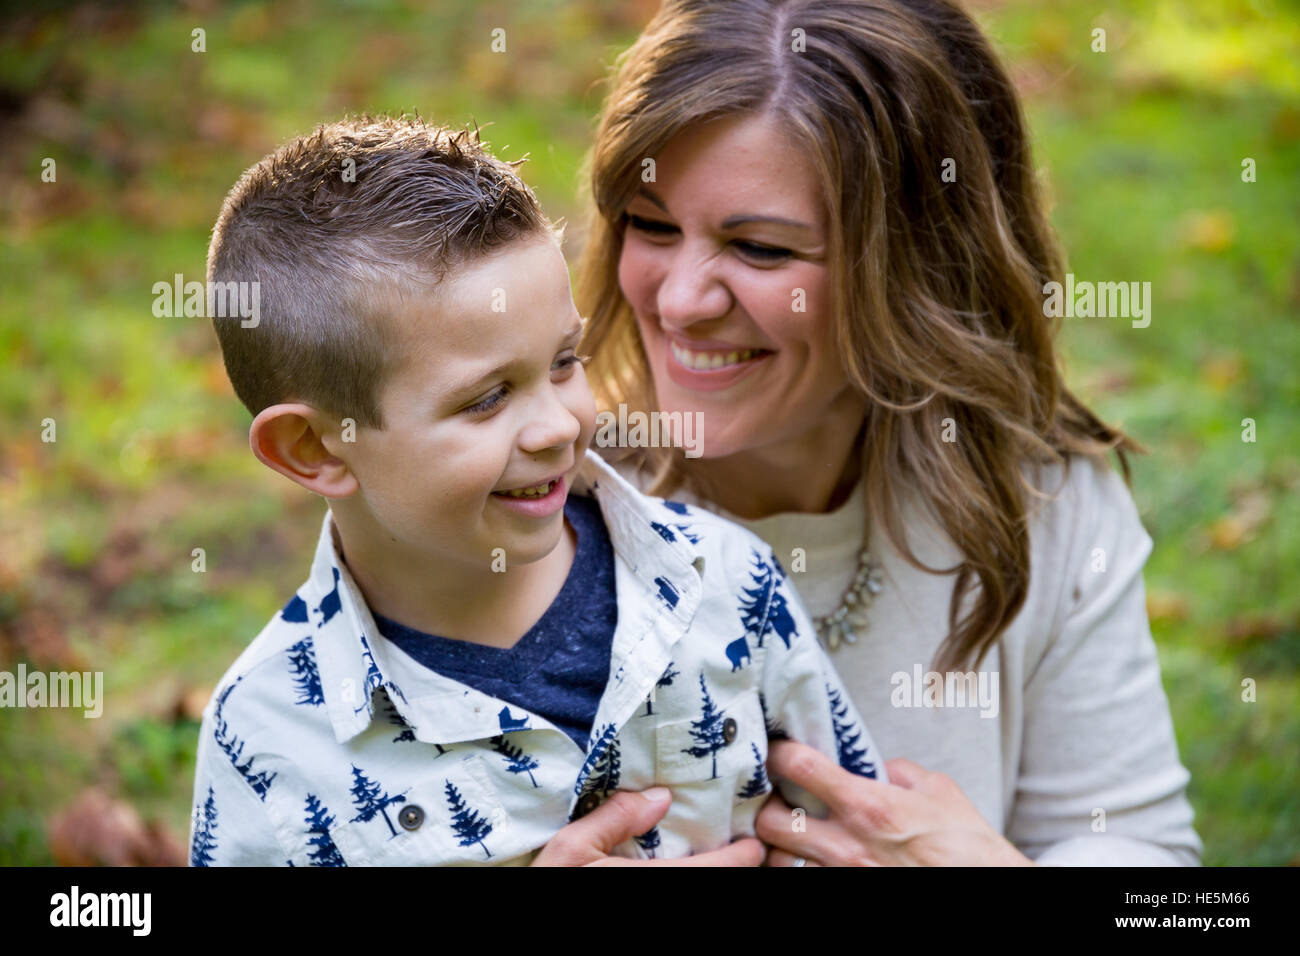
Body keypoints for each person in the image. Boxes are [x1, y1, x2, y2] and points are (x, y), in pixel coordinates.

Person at [551, 0, 1202, 866]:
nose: (679, 301)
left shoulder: (1041, 498)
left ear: (917, 265)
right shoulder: (533, 497)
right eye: (654, 226)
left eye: (760, 250)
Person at [186, 115, 885, 866]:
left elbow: (858, 841)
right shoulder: (268, 733)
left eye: (563, 362)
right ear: (316, 448)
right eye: (487, 399)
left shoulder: (726, 581)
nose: (556, 426)